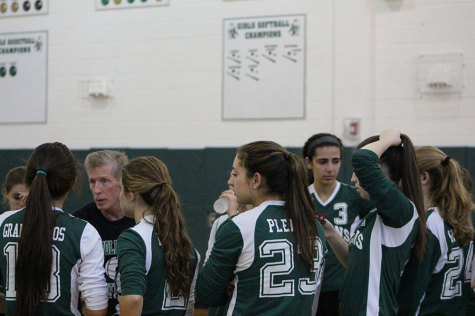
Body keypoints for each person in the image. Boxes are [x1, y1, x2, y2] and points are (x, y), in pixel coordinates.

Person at [196, 141, 327, 315]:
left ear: (256, 180)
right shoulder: (313, 225)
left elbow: (206, 294)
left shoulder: (238, 226)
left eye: (235, 174)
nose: (230, 181)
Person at [322, 128, 427, 316]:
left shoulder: (402, 210)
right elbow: (355, 263)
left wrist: (388, 138)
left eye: (357, 172)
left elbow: (362, 158)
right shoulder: (375, 214)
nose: (353, 178)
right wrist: (331, 234)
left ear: (377, 170)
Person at [0, 142, 108, 315]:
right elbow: (97, 309)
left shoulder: (3, 223)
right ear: (73, 182)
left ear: (30, 179)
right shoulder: (83, 232)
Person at [116, 156, 200, 315]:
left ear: (132, 194)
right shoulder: (188, 246)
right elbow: (189, 307)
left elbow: (133, 299)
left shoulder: (133, 239)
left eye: (121, 189)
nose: (118, 196)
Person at [302, 133, 372, 316]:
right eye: (323, 162)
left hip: (345, 287)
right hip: (308, 288)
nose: (330, 168)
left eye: (336, 161)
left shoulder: (356, 195)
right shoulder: (300, 198)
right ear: (309, 162)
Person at [397, 148, 474, 315]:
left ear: (424, 178)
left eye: (407, 175)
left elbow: (411, 294)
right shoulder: (460, 219)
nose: (402, 182)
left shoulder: (429, 223)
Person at [74, 150, 135, 315]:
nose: (97, 189)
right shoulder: (80, 222)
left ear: (122, 182)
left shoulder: (139, 220)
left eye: (104, 181)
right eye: (92, 182)